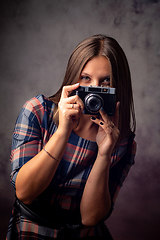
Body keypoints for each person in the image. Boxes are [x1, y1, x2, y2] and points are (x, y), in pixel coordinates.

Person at [6, 34, 136, 239]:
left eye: (106, 81)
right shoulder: (37, 112)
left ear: (118, 86)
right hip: (30, 232)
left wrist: (104, 154)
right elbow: (25, 192)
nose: (94, 89)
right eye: (86, 78)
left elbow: (90, 217)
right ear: (73, 78)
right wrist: (63, 131)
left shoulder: (121, 141)